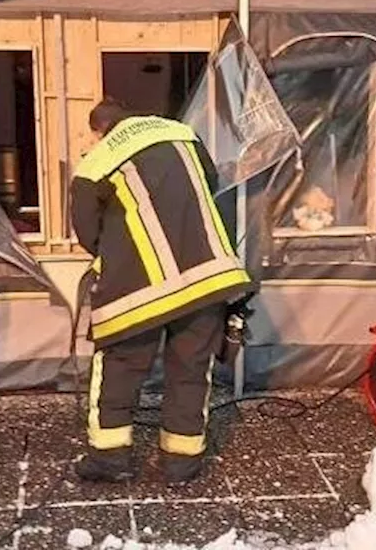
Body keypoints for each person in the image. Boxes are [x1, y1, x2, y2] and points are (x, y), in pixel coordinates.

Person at [69, 99, 253, 485]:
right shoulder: (182, 133)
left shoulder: (96, 162)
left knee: (119, 367)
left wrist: (119, 254)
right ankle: (181, 464)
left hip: (137, 292)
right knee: (191, 369)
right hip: (206, 277)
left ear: (100, 131)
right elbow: (207, 186)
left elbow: (89, 233)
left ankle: (109, 458)